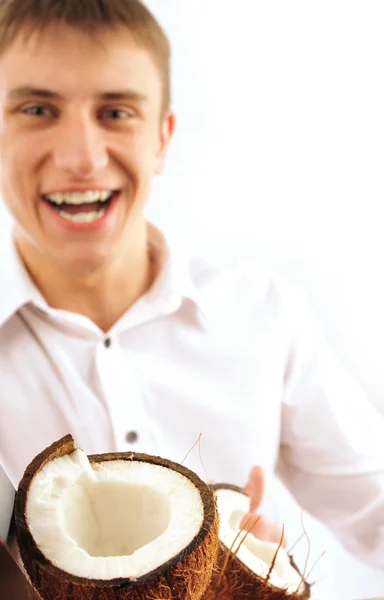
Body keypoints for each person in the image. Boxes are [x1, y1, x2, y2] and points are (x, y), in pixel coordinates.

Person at [0, 0, 384, 573]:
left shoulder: (264, 316)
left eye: (115, 112)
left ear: (162, 138)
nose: (82, 157)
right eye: (37, 108)